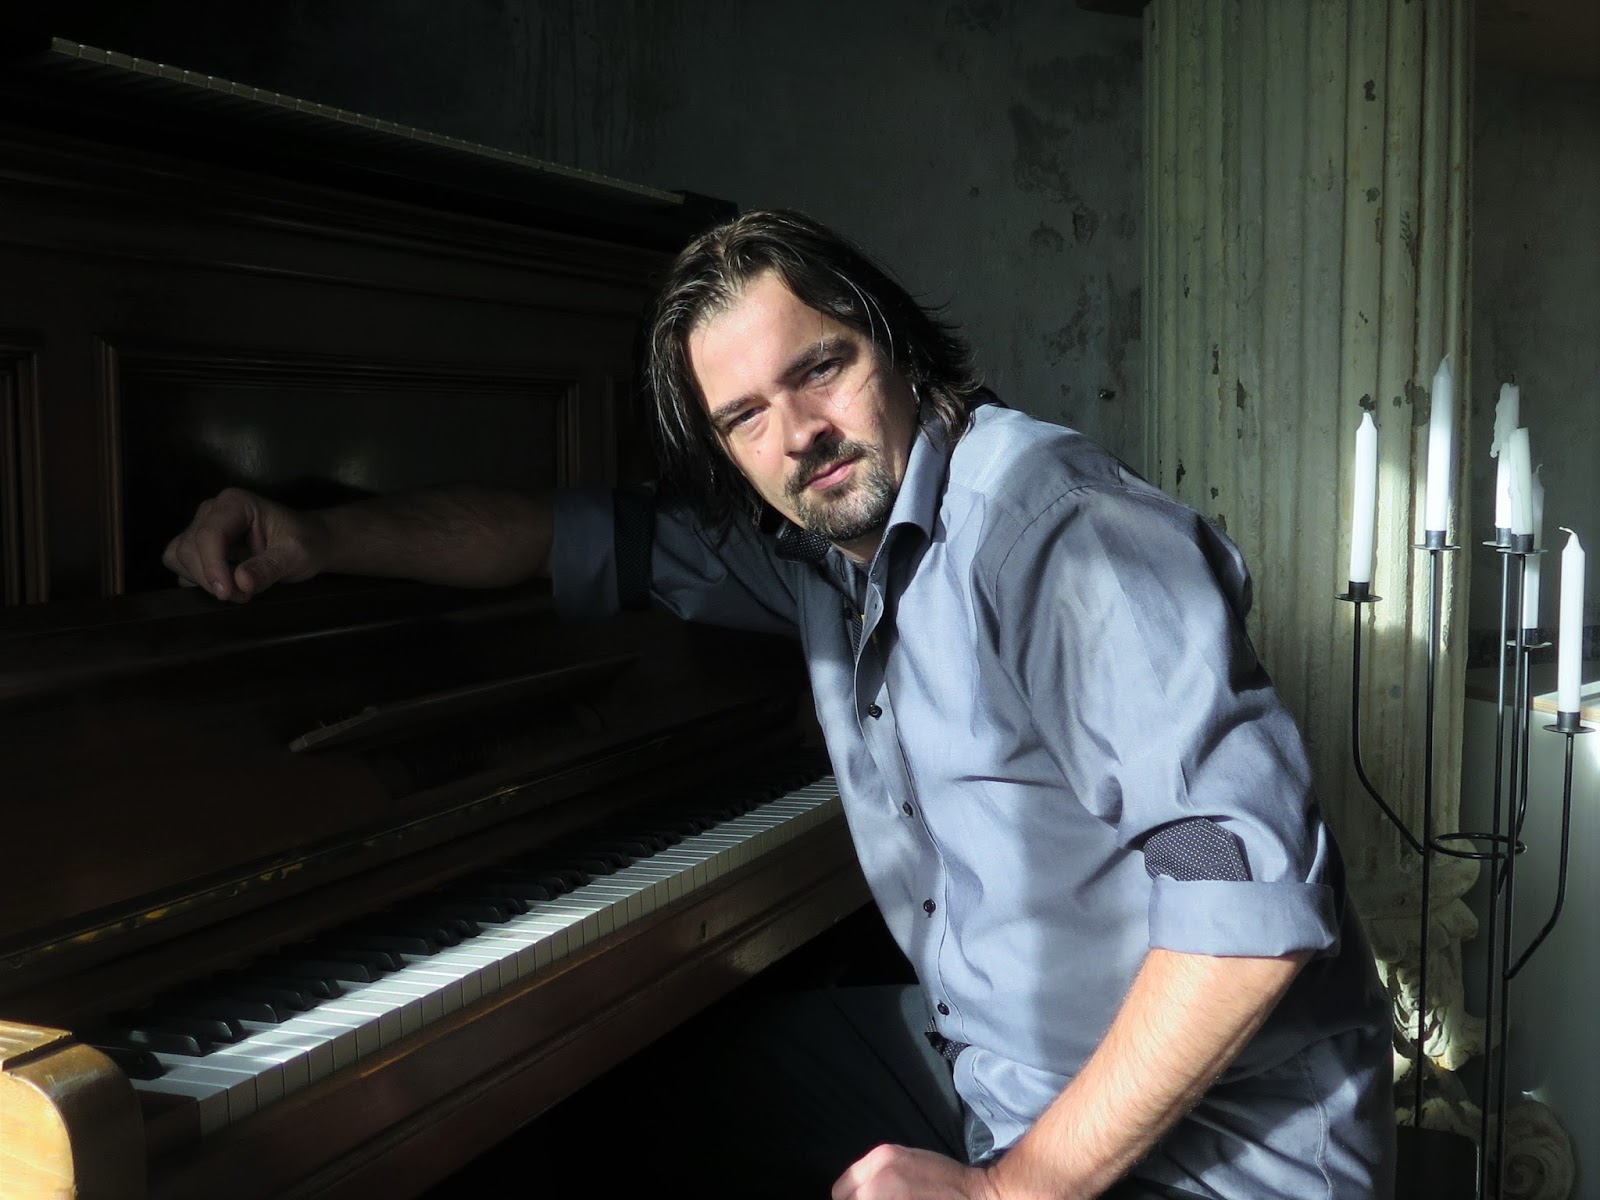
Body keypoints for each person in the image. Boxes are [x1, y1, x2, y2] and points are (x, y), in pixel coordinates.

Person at [164, 209, 1394, 1199]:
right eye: (744, 416)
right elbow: (568, 535)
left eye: (820, 368)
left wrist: (1007, 1189)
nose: (798, 433)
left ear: (892, 343)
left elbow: (1248, 912)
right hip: (997, 1067)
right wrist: (322, 537)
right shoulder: (824, 548)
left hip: (1209, 1151)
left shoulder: (1055, 530)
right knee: (633, 1100)